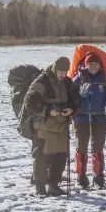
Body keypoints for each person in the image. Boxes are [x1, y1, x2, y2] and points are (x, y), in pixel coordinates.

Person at [24, 57, 80, 196]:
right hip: (44, 125)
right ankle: (40, 186)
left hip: (61, 125)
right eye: (60, 71)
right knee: (43, 155)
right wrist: (48, 110)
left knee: (61, 155)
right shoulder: (42, 81)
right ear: (55, 69)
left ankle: (54, 185)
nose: (62, 75)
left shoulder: (67, 82)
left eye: (65, 72)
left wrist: (71, 109)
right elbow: (29, 102)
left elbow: (76, 99)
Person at [72, 52, 106, 189]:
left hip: (100, 117)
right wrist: (80, 96)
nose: (93, 67)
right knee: (81, 147)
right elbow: (70, 97)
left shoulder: (104, 78)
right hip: (81, 118)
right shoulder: (79, 78)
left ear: (100, 65)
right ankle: (81, 176)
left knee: (98, 147)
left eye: (96, 64)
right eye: (90, 64)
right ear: (86, 65)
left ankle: (99, 175)